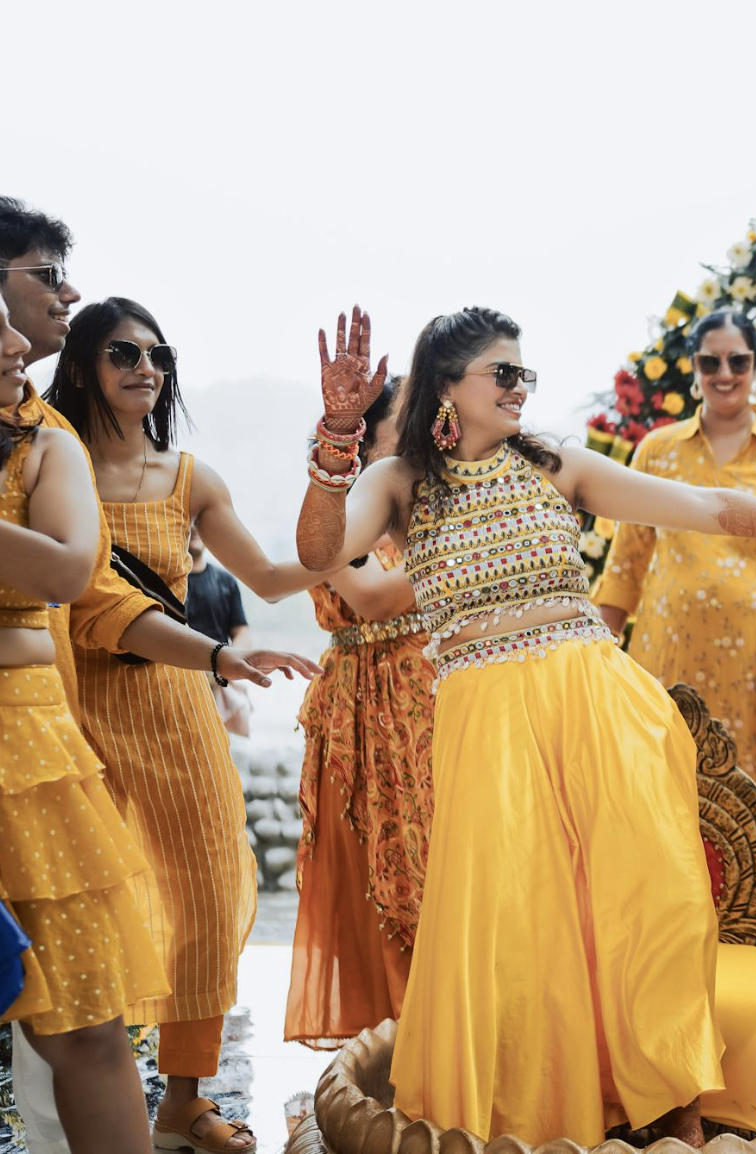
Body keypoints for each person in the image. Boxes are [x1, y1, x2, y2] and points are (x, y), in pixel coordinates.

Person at [295, 305, 756, 1146]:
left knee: (650, 900)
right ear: (449, 384)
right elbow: (317, 549)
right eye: (503, 374)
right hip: (487, 719)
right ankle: (540, 1114)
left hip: (598, 700)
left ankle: (672, 1111)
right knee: (518, 918)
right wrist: (337, 440)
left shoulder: (553, 464)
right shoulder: (402, 481)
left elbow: (705, 504)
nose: (520, 388)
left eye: (526, 374)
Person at [3, 199, 314, 1154]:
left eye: (157, 355)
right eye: (125, 355)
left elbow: (268, 576)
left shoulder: (167, 472)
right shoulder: (50, 442)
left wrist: (344, 494)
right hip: (78, 702)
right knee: (96, 923)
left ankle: (179, 1094)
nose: (147, 369)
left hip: (149, 703)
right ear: (85, 367)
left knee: (205, 896)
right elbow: (90, 603)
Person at [594, 309, 756, 992]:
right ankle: (665, 994)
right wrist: (586, 655)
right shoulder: (658, 451)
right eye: (712, 362)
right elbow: (627, 561)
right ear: (694, 370)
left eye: (738, 361)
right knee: (670, 820)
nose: (726, 374)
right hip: (667, 679)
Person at [0, 290, 170, 1154]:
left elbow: (77, 576)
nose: (12, 342)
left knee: (83, 1018)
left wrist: (217, 657)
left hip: (29, 741)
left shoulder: (41, 441)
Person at [285, 376, 436, 1048]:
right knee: (375, 864)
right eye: (406, 416)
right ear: (367, 429)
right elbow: (371, 598)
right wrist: (479, 554)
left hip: (426, 695)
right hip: (361, 702)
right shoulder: (334, 507)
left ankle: (440, 1036)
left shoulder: (424, 502)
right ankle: (388, 1046)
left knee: (438, 861)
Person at [185, 527, 253, 735]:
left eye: (200, 521)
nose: (195, 528)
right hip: (176, 681)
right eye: (189, 520)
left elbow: (241, 632)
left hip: (217, 683)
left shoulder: (225, 582)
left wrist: (227, 663)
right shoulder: (166, 581)